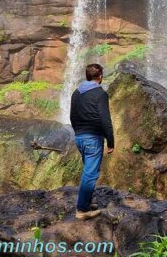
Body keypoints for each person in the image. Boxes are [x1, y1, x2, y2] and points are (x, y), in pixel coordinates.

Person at [69, 63, 114, 220]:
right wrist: (111, 141)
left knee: (88, 171)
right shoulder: (100, 94)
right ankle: (82, 210)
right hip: (93, 138)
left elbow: (72, 116)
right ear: (100, 76)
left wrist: (77, 133)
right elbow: (105, 119)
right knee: (90, 174)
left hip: (80, 137)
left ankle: (86, 202)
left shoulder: (76, 93)